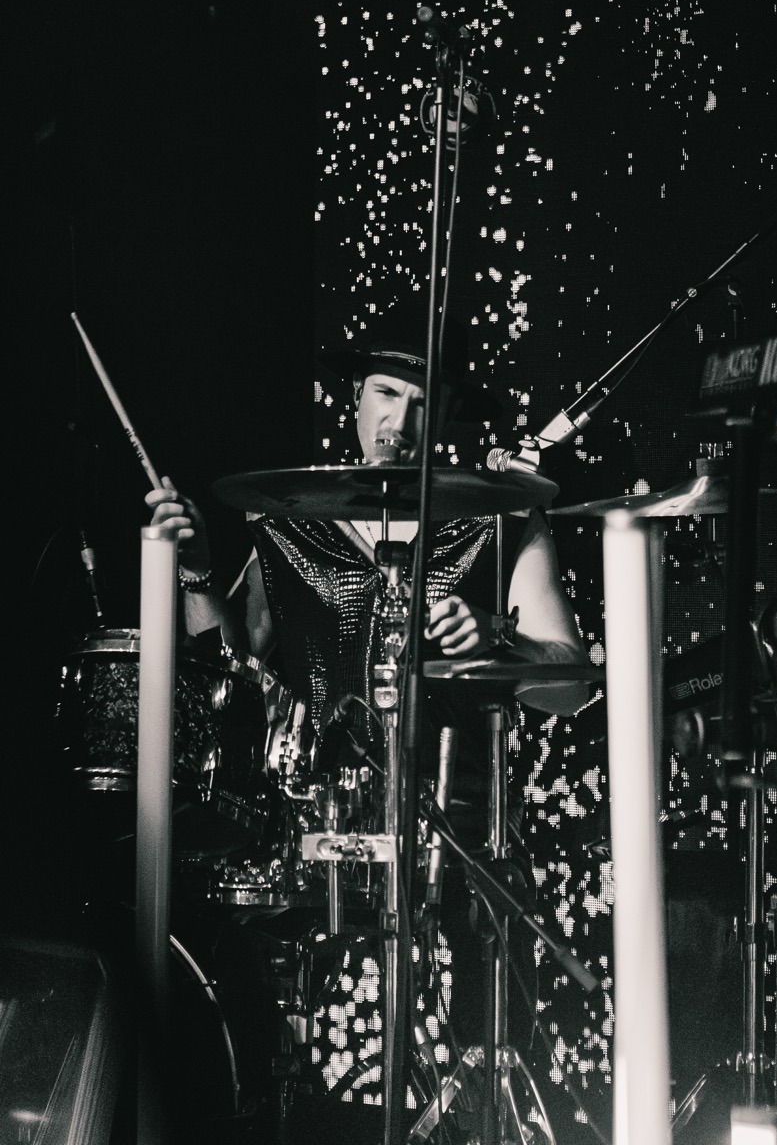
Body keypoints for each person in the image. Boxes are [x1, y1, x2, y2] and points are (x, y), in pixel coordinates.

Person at [145, 306, 592, 1065]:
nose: (399, 421)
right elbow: (233, 671)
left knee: (470, 1064)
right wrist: (195, 571)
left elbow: (570, 686)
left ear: (443, 417)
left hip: (459, 847)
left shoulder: (500, 520)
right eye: (386, 393)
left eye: (421, 404)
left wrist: (500, 638)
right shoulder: (290, 522)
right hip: (318, 843)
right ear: (355, 397)